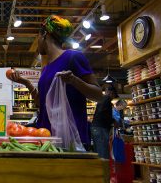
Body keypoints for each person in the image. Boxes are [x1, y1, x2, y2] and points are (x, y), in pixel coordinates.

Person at [9, 15, 103, 147]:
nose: (37, 43)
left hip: (71, 139)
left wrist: (74, 81)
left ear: (44, 35)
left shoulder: (73, 57)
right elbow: (42, 104)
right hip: (46, 137)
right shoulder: (46, 68)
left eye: (38, 37)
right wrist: (26, 83)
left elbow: (99, 95)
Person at [91, 85, 118, 159]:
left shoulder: (102, 99)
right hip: (101, 128)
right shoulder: (106, 99)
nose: (113, 98)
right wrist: (113, 121)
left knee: (98, 152)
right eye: (113, 95)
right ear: (111, 93)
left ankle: (99, 169)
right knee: (103, 153)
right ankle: (103, 169)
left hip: (96, 127)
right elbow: (103, 113)